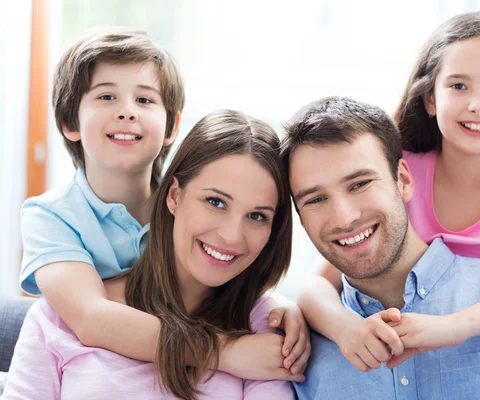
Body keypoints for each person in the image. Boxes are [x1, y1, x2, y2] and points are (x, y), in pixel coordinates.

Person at [295, 11, 480, 371]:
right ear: (430, 99)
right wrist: (347, 329)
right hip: (408, 355)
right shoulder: (404, 170)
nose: (478, 104)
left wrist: (457, 325)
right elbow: (315, 287)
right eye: (458, 85)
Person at [18, 28, 309, 381]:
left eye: (144, 100)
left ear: (171, 126)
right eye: (106, 96)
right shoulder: (49, 217)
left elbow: (224, 275)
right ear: (69, 122)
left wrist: (279, 307)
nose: (127, 112)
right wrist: (224, 351)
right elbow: (91, 318)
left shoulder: (191, 207)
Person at [283, 96, 480, 399]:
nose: (345, 217)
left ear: (403, 181)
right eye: (316, 199)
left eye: (360, 183)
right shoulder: (294, 349)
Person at [2, 110, 297, 399]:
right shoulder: (63, 311)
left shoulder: (268, 326)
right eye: (215, 202)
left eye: (257, 216)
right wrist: (223, 351)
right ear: (174, 195)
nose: (232, 236)